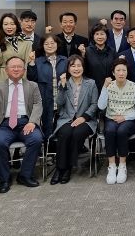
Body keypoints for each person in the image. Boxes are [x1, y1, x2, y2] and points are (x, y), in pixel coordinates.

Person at [0, 56, 43, 193]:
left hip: (25, 122)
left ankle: (25, 175)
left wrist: (32, 122)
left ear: (24, 70)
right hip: (4, 124)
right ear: (6, 70)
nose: (16, 69)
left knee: (36, 139)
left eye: (19, 66)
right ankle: (5, 179)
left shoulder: (32, 86)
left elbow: (38, 104)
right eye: (13, 67)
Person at [50, 55, 98, 185]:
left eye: (79, 66)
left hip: (86, 120)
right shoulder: (63, 82)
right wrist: (63, 86)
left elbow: (94, 104)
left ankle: (67, 168)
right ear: (68, 68)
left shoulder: (91, 83)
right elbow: (59, 103)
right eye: (73, 66)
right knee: (65, 133)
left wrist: (84, 117)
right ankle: (60, 168)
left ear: (83, 67)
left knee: (77, 133)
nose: (76, 69)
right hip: (67, 119)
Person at [97, 58, 135, 185]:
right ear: (113, 73)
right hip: (111, 118)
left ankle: (122, 165)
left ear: (127, 72)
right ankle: (112, 165)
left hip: (130, 119)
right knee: (110, 130)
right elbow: (101, 106)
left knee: (122, 131)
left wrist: (125, 117)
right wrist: (104, 87)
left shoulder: (134, 87)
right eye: (118, 70)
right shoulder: (109, 86)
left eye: (124, 70)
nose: (121, 73)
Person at [27, 34, 67, 140]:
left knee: (62, 129)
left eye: (52, 43)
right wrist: (31, 62)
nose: (50, 46)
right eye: (46, 44)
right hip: (45, 100)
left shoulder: (64, 60)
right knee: (47, 128)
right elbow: (31, 80)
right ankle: (48, 147)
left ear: (57, 44)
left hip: (62, 100)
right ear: (42, 46)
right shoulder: (38, 61)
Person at [0, 12, 33, 82]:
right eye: (6, 24)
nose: (9, 27)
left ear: (17, 25)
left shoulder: (26, 41)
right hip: (2, 79)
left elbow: (27, 64)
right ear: (1, 26)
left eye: (12, 24)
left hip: (20, 79)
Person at [84, 23, 116, 93]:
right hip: (92, 88)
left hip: (110, 88)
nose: (100, 37)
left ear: (106, 36)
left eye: (102, 34)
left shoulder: (112, 51)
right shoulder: (87, 51)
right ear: (93, 36)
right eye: (97, 34)